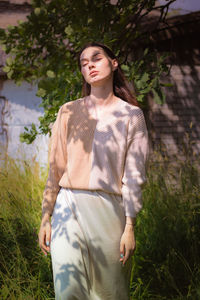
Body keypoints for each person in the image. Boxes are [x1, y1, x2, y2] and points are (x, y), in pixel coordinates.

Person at [38, 42, 149, 300]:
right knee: (67, 291)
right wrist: (46, 215)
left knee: (109, 293)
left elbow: (133, 178)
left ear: (113, 62)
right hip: (68, 206)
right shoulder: (67, 111)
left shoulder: (131, 116)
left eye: (96, 58)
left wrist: (129, 227)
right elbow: (55, 169)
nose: (89, 64)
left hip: (109, 210)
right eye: (83, 63)